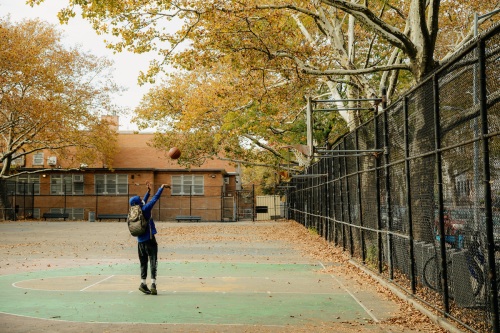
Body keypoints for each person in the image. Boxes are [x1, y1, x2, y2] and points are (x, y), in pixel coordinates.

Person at [129, 182, 170, 295]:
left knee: (143, 262)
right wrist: (161, 187)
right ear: (138, 203)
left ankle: (143, 283)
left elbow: (143, 201)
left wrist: (148, 192)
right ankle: (153, 284)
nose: (142, 200)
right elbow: (155, 199)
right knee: (153, 261)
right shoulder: (146, 209)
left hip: (140, 242)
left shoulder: (133, 211)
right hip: (150, 240)